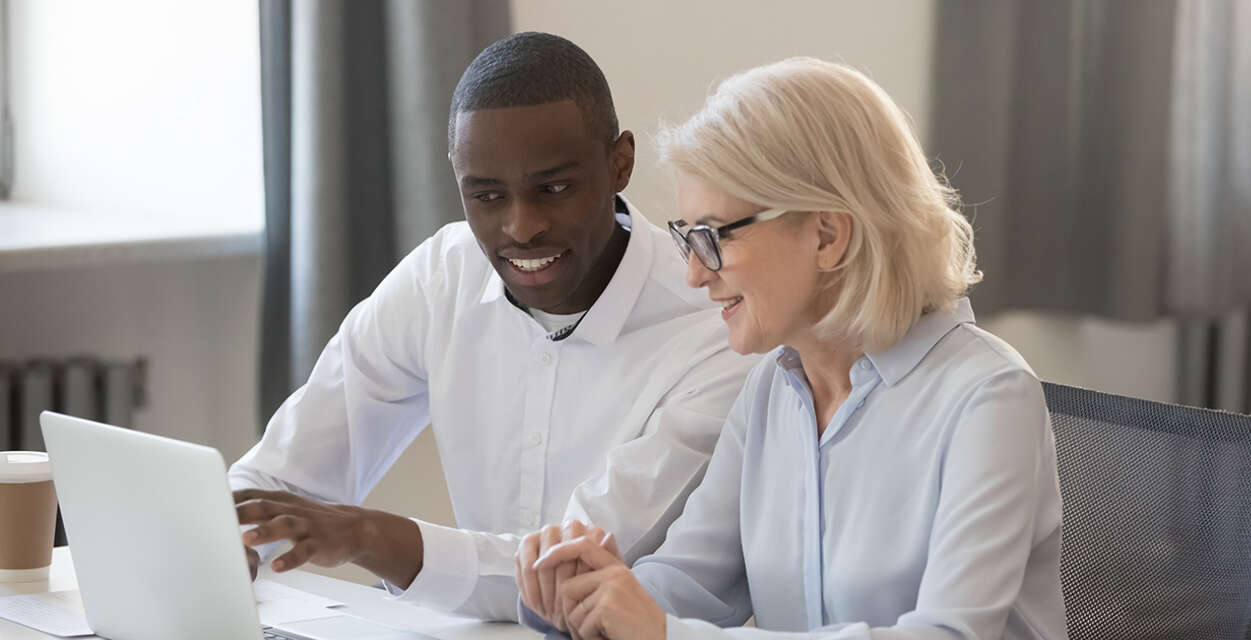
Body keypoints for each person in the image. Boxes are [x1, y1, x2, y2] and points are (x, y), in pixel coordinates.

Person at [519, 57, 1068, 639]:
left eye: (711, 237)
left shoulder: (988, 397)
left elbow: (948, 635)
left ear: (827, 235)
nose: (695, 277)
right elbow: (691, 583)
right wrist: (582, 595)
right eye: (687, 239)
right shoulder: (771, 388)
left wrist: (661, 633)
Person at [228, 32, 758, 622]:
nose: (521, 227)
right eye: (485, 196)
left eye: (553, 188)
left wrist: (370, 537)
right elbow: (282, 475)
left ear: (620, 163)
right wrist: (221, 538)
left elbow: (570, 571)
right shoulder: (442, 276)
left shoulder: (713, 327)